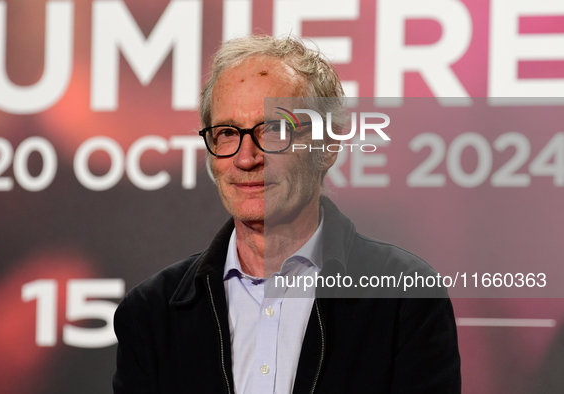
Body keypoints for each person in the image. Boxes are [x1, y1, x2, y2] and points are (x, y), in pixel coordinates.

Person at [113, 35, 460, 393]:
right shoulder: (151, 313)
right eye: (228, 133)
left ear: (327, 147)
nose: (247, 158)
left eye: (275, 129)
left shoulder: (404, 296)